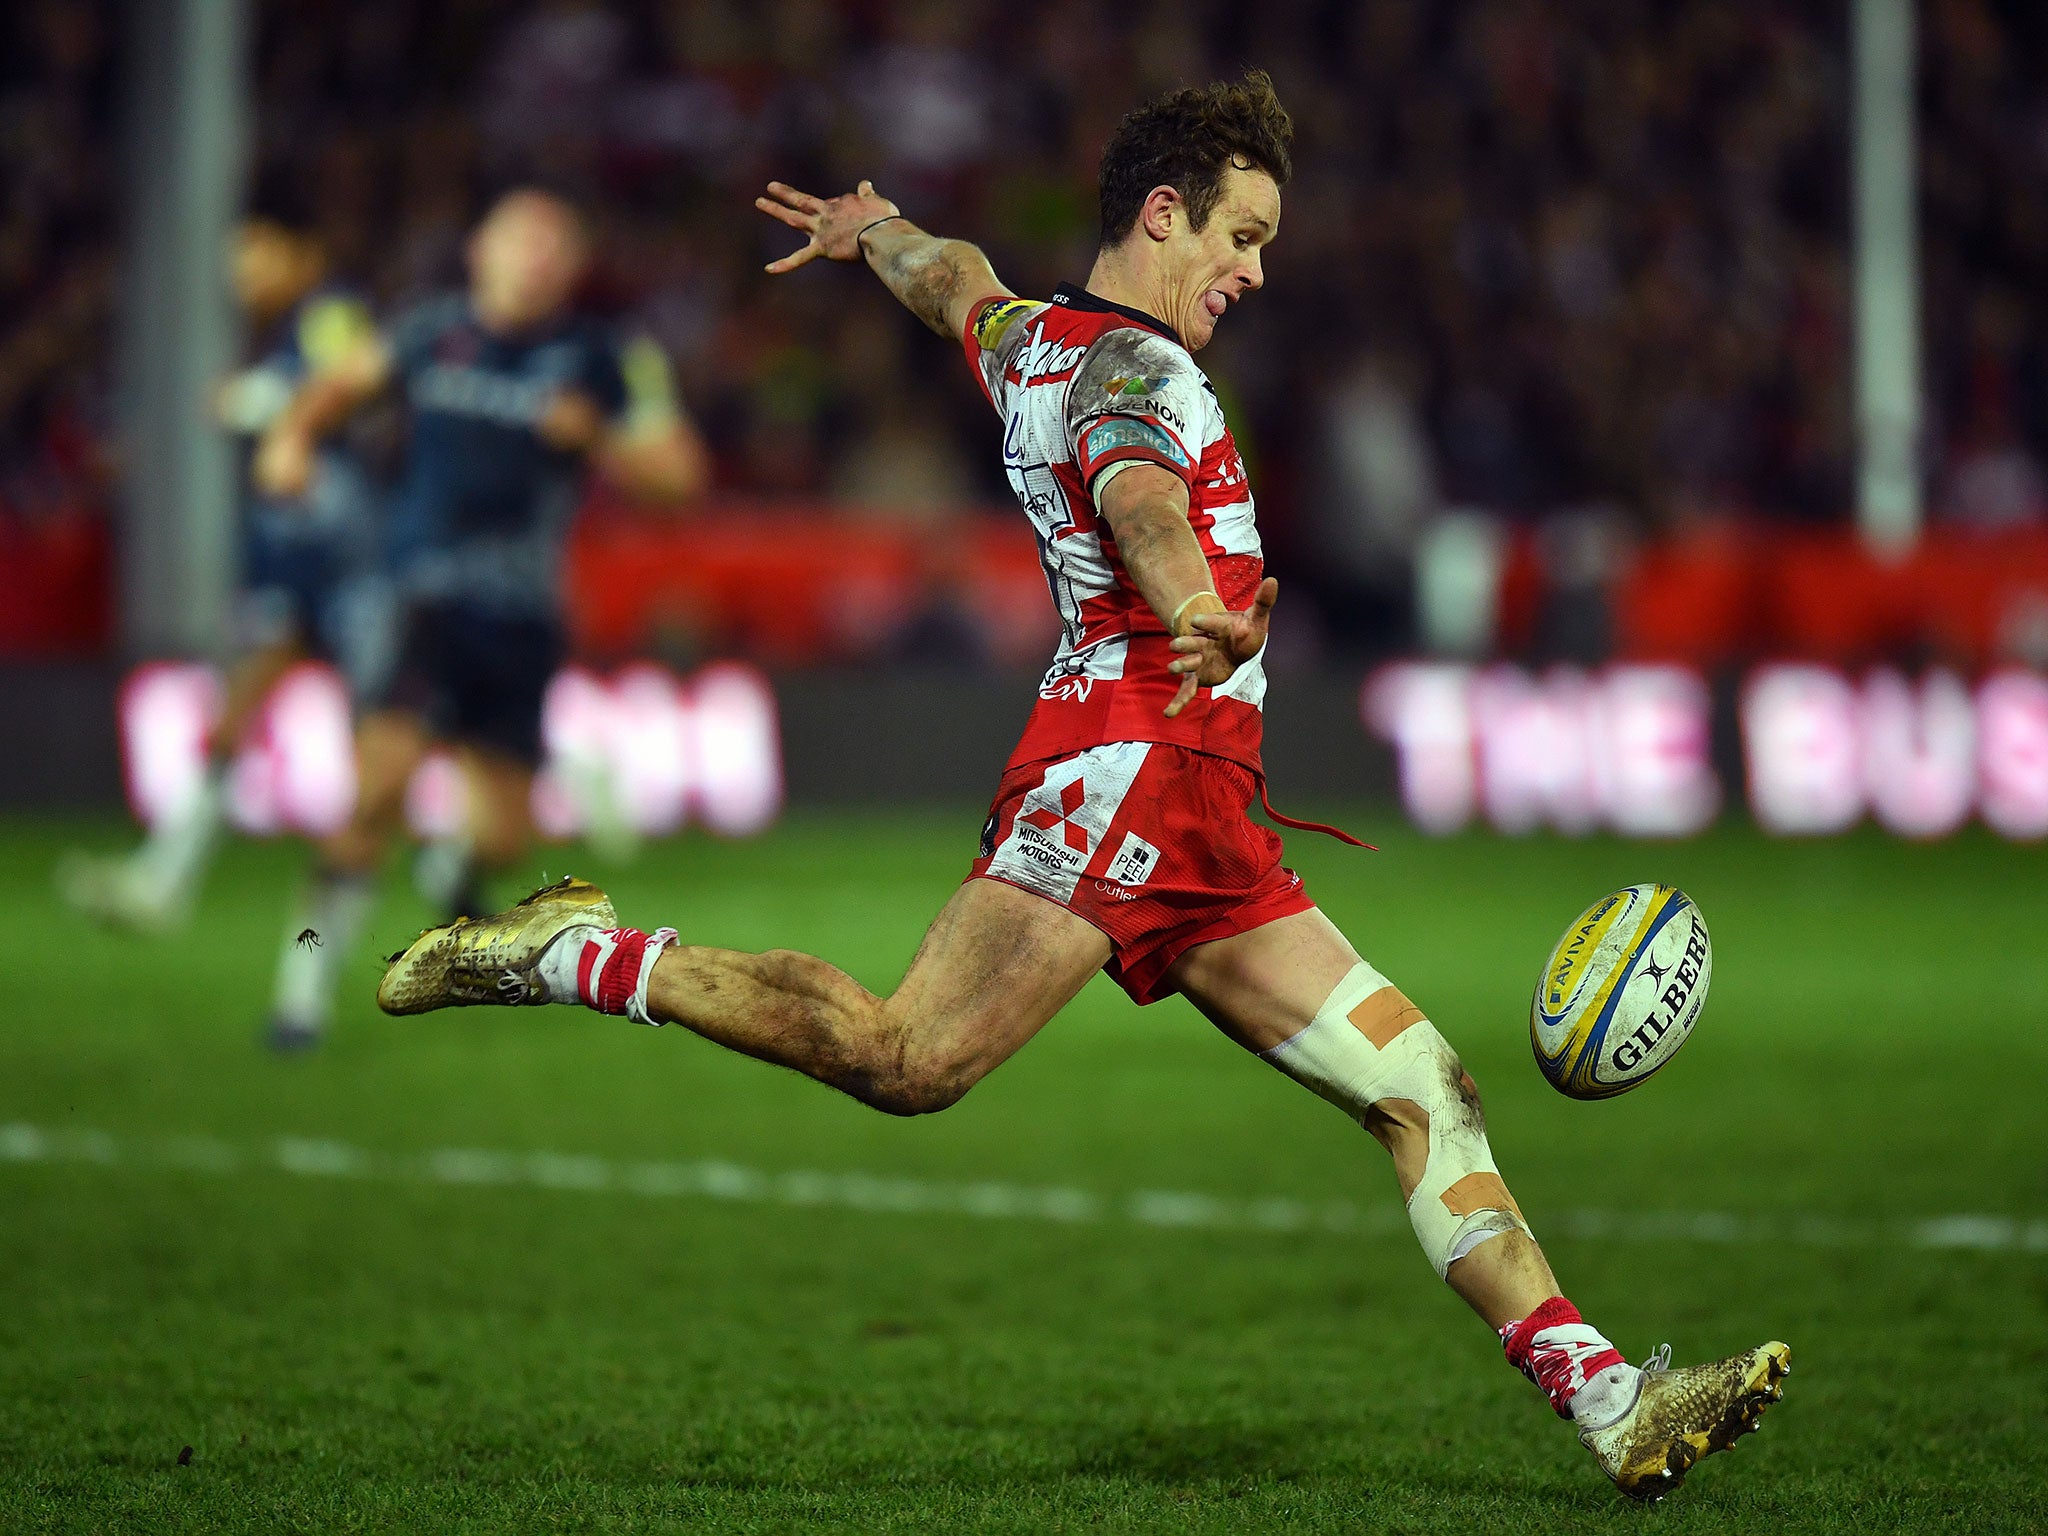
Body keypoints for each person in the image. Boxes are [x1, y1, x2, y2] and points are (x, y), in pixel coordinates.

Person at [374, 77, 1787, 1498]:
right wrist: (1191, 606)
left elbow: (956, 289)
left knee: (1426, 1088)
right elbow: (1140, 497)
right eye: (1241, 233)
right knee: (905, 1059)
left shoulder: (1032, 340)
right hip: (1128, 773)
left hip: (1204, 817)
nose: (1252, 269)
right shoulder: (1135, 373)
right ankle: (575, 951)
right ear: (1162, 213)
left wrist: (878, 232)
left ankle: (1613, 1405)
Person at [252, 187, 706, 1050]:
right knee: (374, 794)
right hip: (420, 598)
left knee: (502, 834)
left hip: (523, 616)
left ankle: (453, 871)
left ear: (572, 268)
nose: (535, 256)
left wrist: (601, 439)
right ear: (480, 251)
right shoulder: (430, 333)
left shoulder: (602, 357)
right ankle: (303, 979)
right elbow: (336, 385)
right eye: (519, 238)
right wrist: (291, 437)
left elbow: (680, 479)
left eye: (553, 243)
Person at [59, 189, 390, 933]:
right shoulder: (276, 333)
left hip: (350, 561)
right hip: (297, 565)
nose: (238, 269)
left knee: (390, 736)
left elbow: (344, 384)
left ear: (300, 254)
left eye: (255, 250)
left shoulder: (329, 313)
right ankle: (163, 879)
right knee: (237, 714)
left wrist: (249, 401)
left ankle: (468, 868)